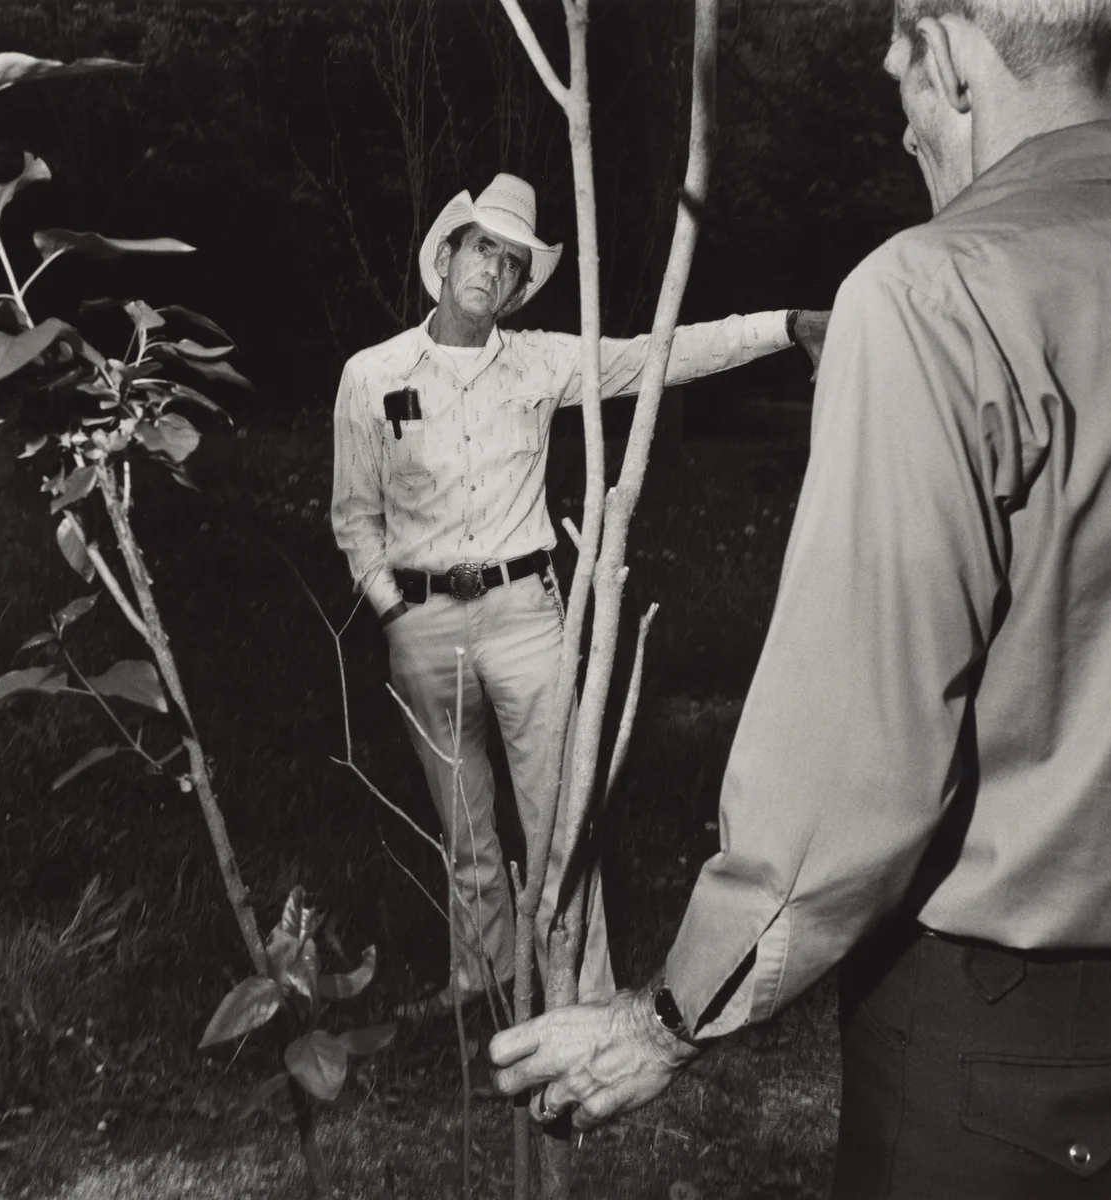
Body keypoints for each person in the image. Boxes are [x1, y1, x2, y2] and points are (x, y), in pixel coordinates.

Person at [490, 3, 1111, 1196]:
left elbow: (852, 772)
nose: (903, 137)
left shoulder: (938, 294)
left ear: (946, 57)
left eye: (900, 90)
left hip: (1001, 1061)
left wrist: (667, 1016)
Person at [331, 172, 827, 1018]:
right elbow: (353, 515)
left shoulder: (543, 361)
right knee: (465, 828)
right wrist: (391, 608)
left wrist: (786, 326)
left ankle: (584, 998)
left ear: (522, 287)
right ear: (447, 255)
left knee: (561, 819)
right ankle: (478, 986)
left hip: (527, 617)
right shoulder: (372, 374)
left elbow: (663, 352)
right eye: (482, 247)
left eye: (512, 261)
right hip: (421, 624)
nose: (493, 268)